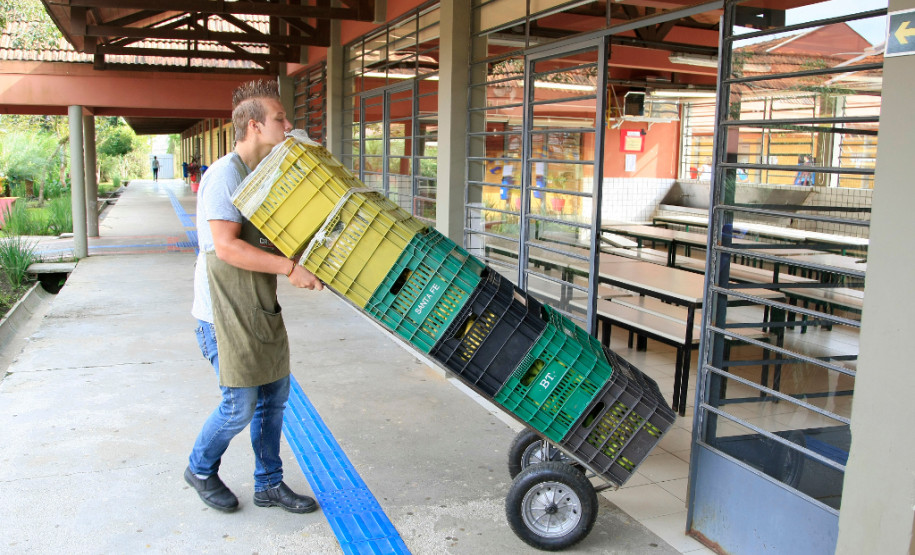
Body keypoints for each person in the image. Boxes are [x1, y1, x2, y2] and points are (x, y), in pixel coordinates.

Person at [186, 79, 324, 514]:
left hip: (258, 307)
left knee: (274, 400)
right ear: (253, 125)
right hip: (222, 314)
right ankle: (200, 468)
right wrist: (288, 267)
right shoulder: (224, 175)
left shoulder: (262, 173)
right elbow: (225, 247)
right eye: (280, 118)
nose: (288, 124)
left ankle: (269, 484)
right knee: (238, 406)